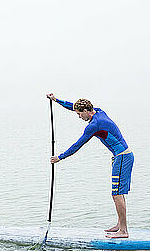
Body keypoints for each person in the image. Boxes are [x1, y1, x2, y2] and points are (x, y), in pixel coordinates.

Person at [47, 93, 134, 238]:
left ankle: (124, 231)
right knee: (117, 193)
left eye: (80, 114)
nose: (79, 117)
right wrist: (56, 101)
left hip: (122, 157)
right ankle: (120, 225)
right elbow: (72, 106)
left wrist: (59, 157)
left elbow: (77, 145)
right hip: (123, 156)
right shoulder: (99, 111)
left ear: (87, 111)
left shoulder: (94, 125)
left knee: (117, 193)